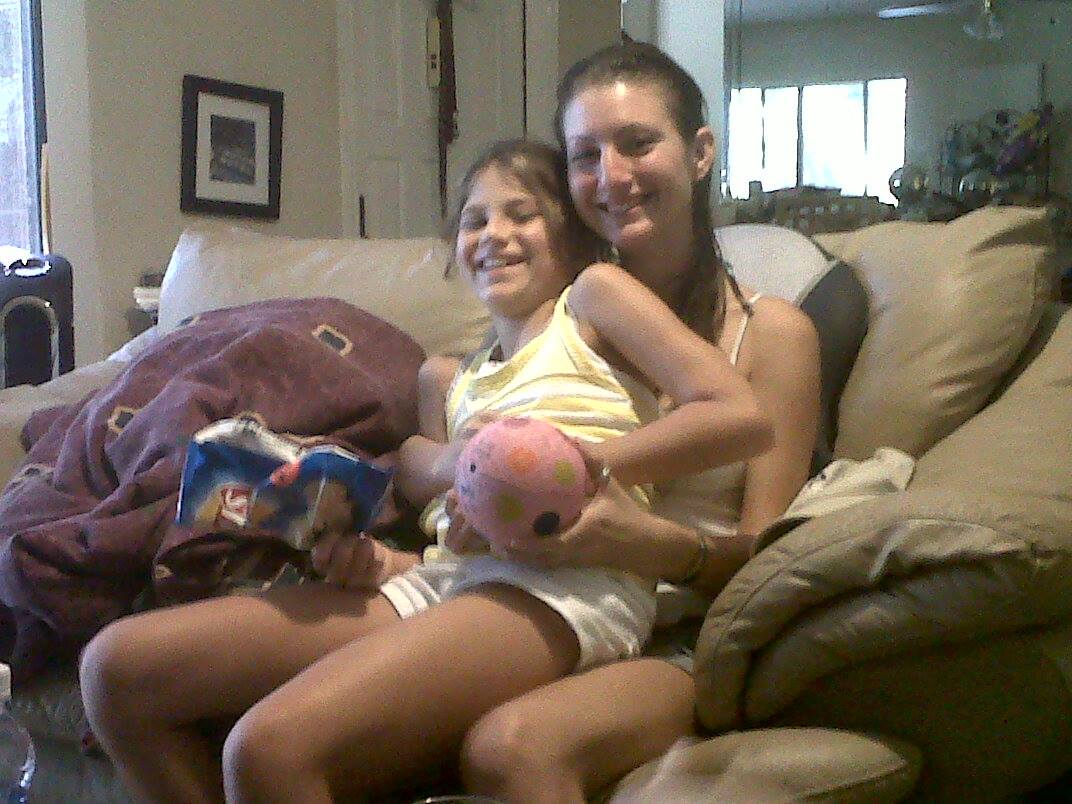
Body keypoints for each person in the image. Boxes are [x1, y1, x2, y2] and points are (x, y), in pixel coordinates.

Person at [78, 136, 772, 802]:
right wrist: (387, 550)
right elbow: (419, 477)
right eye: (474, 220)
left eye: (522, 214)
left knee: (265, 750)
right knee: (115, 670)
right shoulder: (449, 377)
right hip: (445, 583)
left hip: (565, 587)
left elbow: (740, 416)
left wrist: (582, 462)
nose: (494, 234)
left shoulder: (591, 301)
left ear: (574, 236)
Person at [452, 42, 821, 803]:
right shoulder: (546, 320)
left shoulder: (771, 335)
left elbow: (768, 558)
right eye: (585, 155)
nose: (611, 176)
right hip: (534, 595)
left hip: (679, 630)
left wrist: (655, 545)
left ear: (700, 153)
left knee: (511, 749)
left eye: (638, 143)